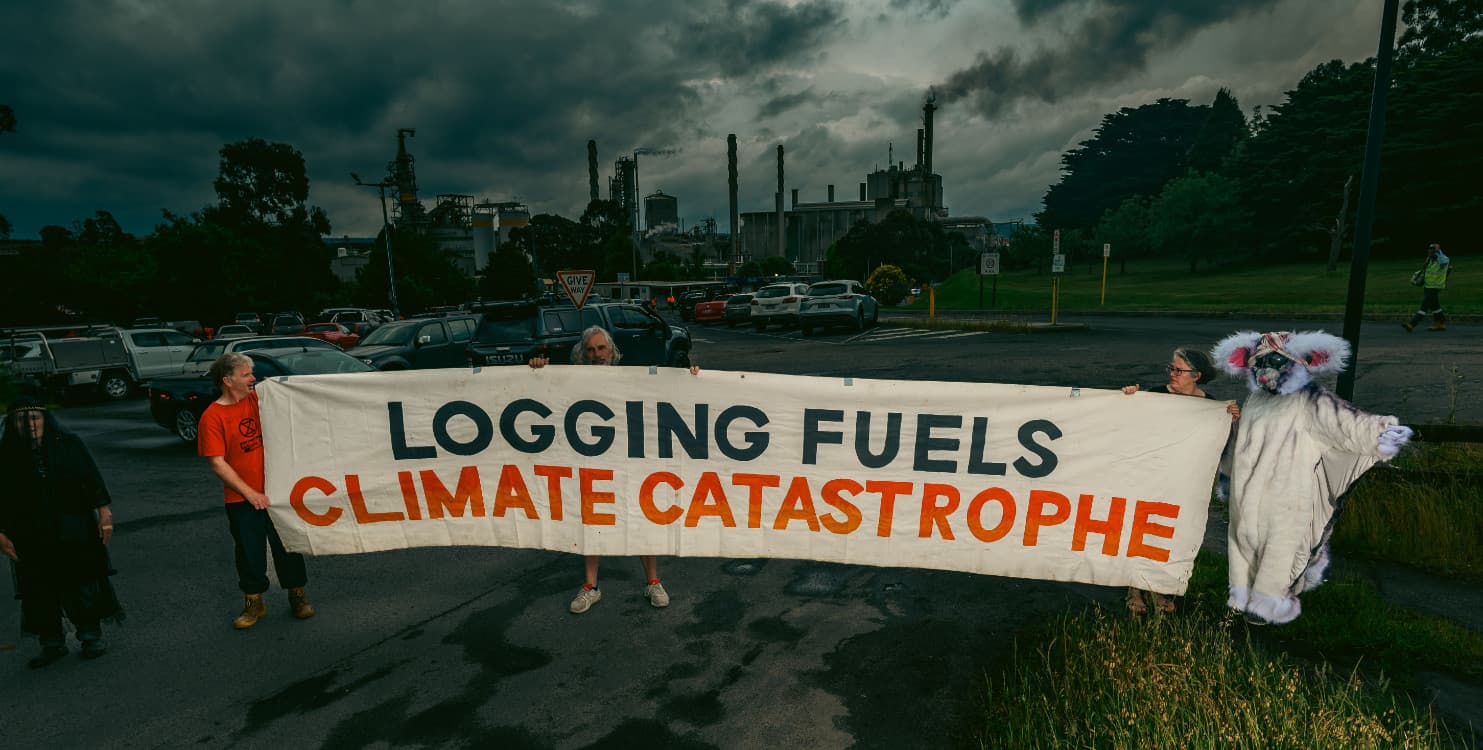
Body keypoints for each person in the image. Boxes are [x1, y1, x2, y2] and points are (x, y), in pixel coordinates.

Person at [529, 326, 697, 614]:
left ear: (612, 351)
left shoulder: (631, 378)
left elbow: (671, 392)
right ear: (583, 355)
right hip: (592, 462)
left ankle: (653, 581)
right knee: (593, 520)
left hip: (631, 462)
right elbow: (544, 395)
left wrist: (690, 378)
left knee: (643, 516)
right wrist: (538, 369)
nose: (597, 355)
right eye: (591, 350)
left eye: (601, 349)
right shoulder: (571, 381)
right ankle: (591, 586)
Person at [0, 395, 124, 668]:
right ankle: (52, 642)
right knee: (39, 587)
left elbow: (91, 479)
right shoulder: (6, 453)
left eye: (34, 417)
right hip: (29, 533)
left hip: (73, 526)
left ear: (45, 419)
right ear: (13, 424)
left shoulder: (68, 444)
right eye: (21, 420)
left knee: (80, 580)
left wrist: (105, 514)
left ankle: (90, 635)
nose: (29, 424)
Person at [198, 352, 315, 629]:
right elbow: (217, 464)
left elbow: (296, 401)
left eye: (252, 373)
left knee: (288, 546)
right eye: (246, 374)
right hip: (241, 499)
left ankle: (297, 597)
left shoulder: (259, 399)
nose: (253, 378)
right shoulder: (212, 417)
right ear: (228, 381)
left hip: (278, 492)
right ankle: (254, 604)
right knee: (249, 552)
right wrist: (250, 494)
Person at [1121, 347, 1240, 615]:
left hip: (1183, 482)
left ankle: (1161, 590)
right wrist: (1129, 398)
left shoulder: (1210, 406)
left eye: (1178, 370)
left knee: (1170, 534)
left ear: (1196, 375)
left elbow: (1222, 448)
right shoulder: (1155, 395)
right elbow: (1127, 426)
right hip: (1150, 476)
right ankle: (1134, 590)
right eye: (1171, 369)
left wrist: (1231, 421)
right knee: (1141, 530)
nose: (1172, 374)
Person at [1403, 243, 1452, 332]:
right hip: (1427, 286)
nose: (1429, 251)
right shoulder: (1429, 259)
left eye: (1431, 250)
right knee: (1435, 307)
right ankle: (1441, 323)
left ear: (1436, 252)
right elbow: (1426, 270)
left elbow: (1443, 262)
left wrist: (1438, 251)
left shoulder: (1444, 259)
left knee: (1424, 306)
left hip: (1435, 287)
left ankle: (1411, 324)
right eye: (1429, 249)